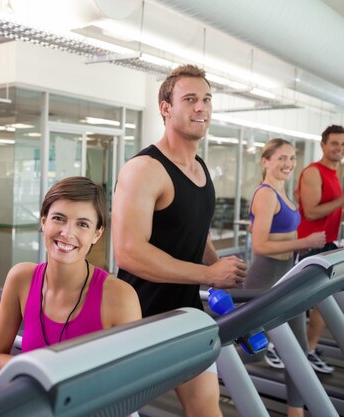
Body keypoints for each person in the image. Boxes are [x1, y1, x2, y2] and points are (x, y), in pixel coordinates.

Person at [112, 64, 247, 417]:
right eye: (190, 99)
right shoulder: (144, 170)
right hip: (137, 315)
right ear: (165, 107)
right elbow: (128, 252)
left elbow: (194, 231)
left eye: (206, 99)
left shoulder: (200, 167)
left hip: (185, 313)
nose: (201, 107)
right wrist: (208, 275)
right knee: (116, 410)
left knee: (206, 408)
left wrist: (218, 265)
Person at [0, 176, 142, 375]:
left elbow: (129, 380)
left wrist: (45, 373)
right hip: (34, 401)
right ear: (43, 221)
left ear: (97, 234)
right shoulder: (21, 278)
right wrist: (47, 372)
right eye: (59, 218)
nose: (67, 233)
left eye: (83, 224)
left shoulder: (120, 296)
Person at [243, 138, 325, 417]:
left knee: (298, 351)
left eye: (291, 158)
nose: (288, 164)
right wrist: (303, 242)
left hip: (285, 277)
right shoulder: (266, 194)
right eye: (281, 158)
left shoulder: (282, 191)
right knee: (246, 351)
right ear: (265, 161)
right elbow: (260, 246)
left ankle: (295, 412)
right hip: (264, 280)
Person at [296, 124, 344, 375]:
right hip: (310, 243)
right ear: (323, 145)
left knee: (326, 302)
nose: (339, 148)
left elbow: (336, 210)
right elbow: (313, 211)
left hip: (329, 242)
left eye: (343, 144)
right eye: (335, 143)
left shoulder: (336, 174)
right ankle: (282, 345)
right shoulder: (313, 172)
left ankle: (310, 349)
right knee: (304, 301)